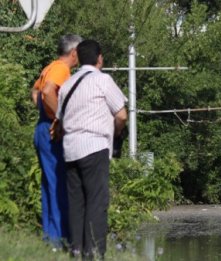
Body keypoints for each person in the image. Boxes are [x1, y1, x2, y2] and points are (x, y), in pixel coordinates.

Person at [56, 39, 127, 258]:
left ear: (77, 58)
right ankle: (94, 252)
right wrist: (115, 133)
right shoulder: (102, 80)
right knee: (96, 201)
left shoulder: (68, 85)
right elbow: (122, 114)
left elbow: (59, 122)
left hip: (70, 150)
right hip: (94, 147)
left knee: (76, 202)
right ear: (100, 58)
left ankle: (76, 250)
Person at [32, 34, 83, 248]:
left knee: (48, 183)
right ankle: (59, 238)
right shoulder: (62, 69)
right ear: (74, 53)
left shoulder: (49, 67)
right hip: (51, 131)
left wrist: (45, 113)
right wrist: (58, 118)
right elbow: (46, 91)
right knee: (58, 183)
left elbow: (35, 92)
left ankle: (50, 236)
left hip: (42, 128)